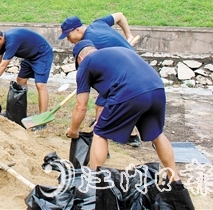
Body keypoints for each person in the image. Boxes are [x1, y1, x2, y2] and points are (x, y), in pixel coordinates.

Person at [66, 40, 180, 182]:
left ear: (80, 59)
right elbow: (109, 98)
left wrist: (73, 130)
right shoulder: (116, 52)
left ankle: (93, 185)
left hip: (130, 92)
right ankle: (175, 179)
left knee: (100, 133)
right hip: (156, 89)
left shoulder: (85, 64)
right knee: (157, 135)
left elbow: (81, 106)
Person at [58, 13, 141, 147]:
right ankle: (124, 133)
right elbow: (120, 15)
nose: (68, 40)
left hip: (124, 72)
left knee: (102, 105)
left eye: (68, 36)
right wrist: (129, 35)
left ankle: (105, 142)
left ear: (78, 30)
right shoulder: (98, 23)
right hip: (134, 65)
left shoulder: (91, 45)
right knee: (105, 102)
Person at [0, 27, 54, 114]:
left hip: (42, 54)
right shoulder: (1, 43)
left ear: (0, 38)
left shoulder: (12, 41)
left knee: (40, 85)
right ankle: (20, 111)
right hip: (30, 56)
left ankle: (43, 117)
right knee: (21, 80)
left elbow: (3, 65)